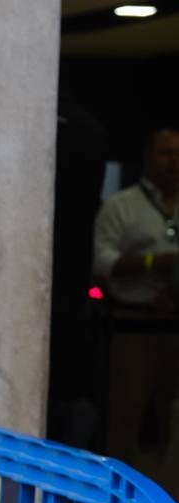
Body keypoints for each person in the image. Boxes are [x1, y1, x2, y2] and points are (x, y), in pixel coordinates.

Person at [93, 127, 179, 459]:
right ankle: (119, 487)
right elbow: (101, 263)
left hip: (174, 325)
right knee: (126, 415)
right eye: (165, 153)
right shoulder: (121, 205)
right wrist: (151, 262)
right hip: (133, 324)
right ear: (147, 157)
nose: (174, 162)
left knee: (172, 418)